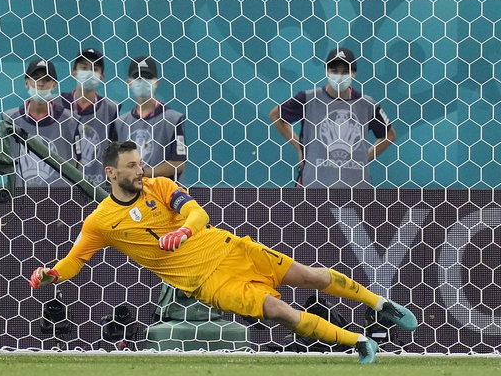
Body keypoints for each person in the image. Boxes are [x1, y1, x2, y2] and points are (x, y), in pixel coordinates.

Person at [29, 141, 417, 363]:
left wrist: (182, 231)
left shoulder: (160, 187)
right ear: (111, 174)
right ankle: (359, 344)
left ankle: (380, 304)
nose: (140, 170)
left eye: (141, 163)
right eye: (132, 166)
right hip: (208, 283)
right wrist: (52, 275)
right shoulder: (100, 222)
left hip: (231, 249)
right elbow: (76, 259)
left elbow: (198, 212)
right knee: (278, 311)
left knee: (311, 276)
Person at [269, 47, 397, 188]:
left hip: (355, 187)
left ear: (353, 74)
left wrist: (364, 158)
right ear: (326, 71)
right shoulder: (308, 98)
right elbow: (276, 115)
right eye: (334, 71)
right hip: (313, 185)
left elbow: (389, 135)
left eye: (345, 72)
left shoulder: (367, 104)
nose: (339, 76)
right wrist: (299, 147)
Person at [4, 57, 81, 187]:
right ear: (26, 83)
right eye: (35, 78)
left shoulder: (71, 120)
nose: (40, 84)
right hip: (20, 197)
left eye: (46, 80)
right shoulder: (10, 119)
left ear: (54, 85)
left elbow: (79, 161)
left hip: (61, 198)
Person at [111, 56, 187, 180]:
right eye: (138, 78)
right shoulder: (120, 123)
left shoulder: (173, 119)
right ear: (129, 83)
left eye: (148, 77)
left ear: (156, 83)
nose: (143, 81)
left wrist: (142, 173)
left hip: (162, 195)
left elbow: (178, 164)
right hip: (129, 196)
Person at [56, 49, 120, 187]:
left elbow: (116, 155)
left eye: (94, 69)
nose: (89, 72)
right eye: (84, 68)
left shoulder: (112, 109)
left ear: (102, 77)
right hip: (59, 187)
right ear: (74, 73)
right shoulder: (56, 105)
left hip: (98, 189)